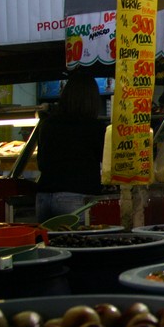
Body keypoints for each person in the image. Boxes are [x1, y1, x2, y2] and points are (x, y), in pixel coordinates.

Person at [36, 73, 106, 222]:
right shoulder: (95, 127)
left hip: (44, 196)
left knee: (46, 243)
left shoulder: (48, 124)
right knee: (75, 243)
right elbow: (106, 162)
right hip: (76, 195)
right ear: (92, 100)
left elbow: (41, 162)